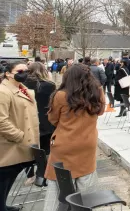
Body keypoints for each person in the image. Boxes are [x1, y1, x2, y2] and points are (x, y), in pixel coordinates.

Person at [43, 65, 105, 211]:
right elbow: (101, 112)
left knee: (59, 184)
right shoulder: (97, 93)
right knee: (86, 181)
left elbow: (52, 119)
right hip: (87, 142)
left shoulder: (60, 95)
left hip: (64, 144)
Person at [0, 60, 39, 211]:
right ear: (8, 74)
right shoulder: (3, 92)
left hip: (19, 145)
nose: (24, 74)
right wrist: (19, 136)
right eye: (20, 72)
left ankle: (3, 205)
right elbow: (1, 120)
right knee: (3, 180)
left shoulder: (23, 89)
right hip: (10, 145)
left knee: (9, 180)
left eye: (26, 71)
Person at [23, 63, 56, 155]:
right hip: (45, 119)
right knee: (46, 148)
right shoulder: (50, 85)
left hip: (27, 118)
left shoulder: (22, 85)